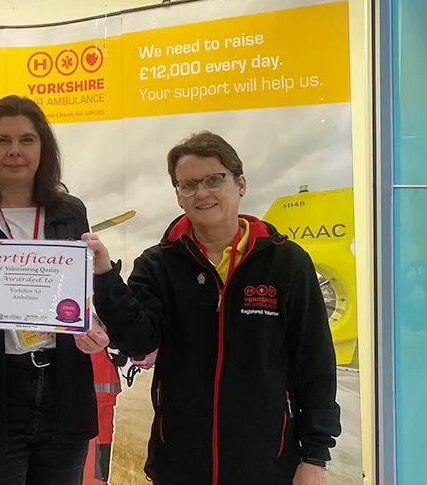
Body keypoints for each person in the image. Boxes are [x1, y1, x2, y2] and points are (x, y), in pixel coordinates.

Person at [91, 131, 341, 485]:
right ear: (179, 197)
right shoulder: (157, 265)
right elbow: (140, 342)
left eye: (214, 179)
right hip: (180, 462)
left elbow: (314, 360)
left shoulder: (286, 262)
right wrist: (104, 277)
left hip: (267, 463)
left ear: (240, 184)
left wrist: (316, 455)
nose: (202, 193)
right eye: (188, 185)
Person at [0, 95, 110, 485]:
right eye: (2, 140)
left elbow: (84, 302)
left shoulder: (71, 212)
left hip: (61, 393)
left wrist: (93, 328)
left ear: (43, 148)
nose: (15, 151)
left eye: (27, 140)